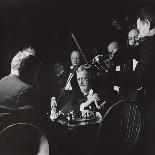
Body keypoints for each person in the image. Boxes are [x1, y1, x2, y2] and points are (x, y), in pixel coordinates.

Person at [135, 6, 155, 155]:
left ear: (147, 24)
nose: (139, 34)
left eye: (139, 29)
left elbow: (141, 77)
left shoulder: (148, 45)